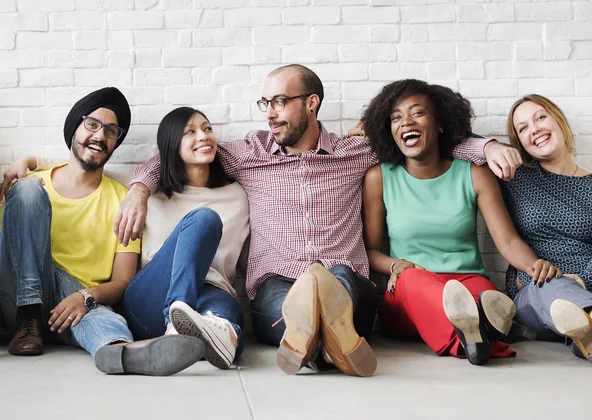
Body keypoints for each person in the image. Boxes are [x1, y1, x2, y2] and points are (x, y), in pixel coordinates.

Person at [114, 65, 517, 375]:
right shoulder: (249, 154)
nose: (271, 114)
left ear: (311, 103)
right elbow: (177, 154)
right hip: (277, 284)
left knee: (338, 276)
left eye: (280, 102)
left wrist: (486, 145)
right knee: (300, 296)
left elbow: (423, 142)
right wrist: (138, 189)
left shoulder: (355, 152)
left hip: (348, 281)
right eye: (266, 103)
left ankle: (310, 341)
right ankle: (332, 345)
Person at [0, 87, 204, 376]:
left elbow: (123, 281)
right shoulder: (30, 184)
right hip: (16, 300)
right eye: (92, 125)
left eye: (111, 131)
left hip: (72, 307)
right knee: (28, 192)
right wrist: (28, 163)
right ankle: (28, 316)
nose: (99, 136)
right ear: (74, 129)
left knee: (103, 318)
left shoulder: (123, 202)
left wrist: (84, 297)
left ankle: (123, 353)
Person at [361, 79, 558, 365]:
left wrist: (534, 266)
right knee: (415, 278)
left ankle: (475, 337)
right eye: (396, 117)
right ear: (389, 129)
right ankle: (482, 335)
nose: (406, 122)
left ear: (440, 122)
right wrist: (395, 266)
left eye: (418, 112)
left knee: (486, 295)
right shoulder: (379, 178)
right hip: (410, 290)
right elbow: (370, 251)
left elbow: (507, 240)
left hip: (467, 282)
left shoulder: (474, 174)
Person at [120, 106, 250, 369]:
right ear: (170, 143)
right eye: (189, 132)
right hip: (152, 297)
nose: (204, 136)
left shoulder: (240, 195)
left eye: (208, 129)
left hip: (212, 291)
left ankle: (216, 340)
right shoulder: (149, 195)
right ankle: (174, 324)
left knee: (225, 321)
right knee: (204, 219)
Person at [503, 94, 592, 360]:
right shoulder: (515, 178)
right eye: (523, 128)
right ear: (520, 144)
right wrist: (490, 147)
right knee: (551, 286)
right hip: (537, 289)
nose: (535, 129)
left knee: (567, 293)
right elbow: (455, 140)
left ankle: (583, 331)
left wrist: (582, 280)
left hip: (588, 285)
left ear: (559, 120)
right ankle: (585, 321)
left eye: (540, 117)